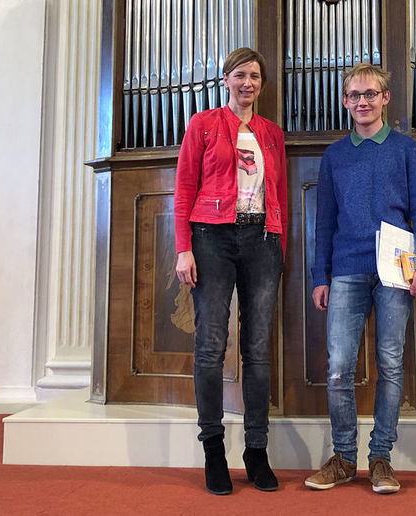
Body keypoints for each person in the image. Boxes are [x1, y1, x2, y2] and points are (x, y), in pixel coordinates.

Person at [304, 63, 416, 495]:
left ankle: (381, 456)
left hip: (397, 272)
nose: (362, 102)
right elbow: (324, 221)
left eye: (370, 94)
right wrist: (319, 274)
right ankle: (343, 457)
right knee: (340, 367)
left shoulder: (405, 149)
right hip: (346, 268)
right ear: (345, 102)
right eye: (354, 95)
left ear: (385, 99)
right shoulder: (335, 155)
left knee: (391, 363)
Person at [174, 47, 287, 495]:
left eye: (255, 76)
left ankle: (256, 452)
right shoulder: (202, 125)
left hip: (262, 240)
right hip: (211, 238)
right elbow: (184, 189)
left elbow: (277, 193)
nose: (248, 83)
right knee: (211, 345)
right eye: (240, 75)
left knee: (258, 348)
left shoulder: (271, 133)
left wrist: (280, 245)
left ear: (262, 83)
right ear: (226, 79)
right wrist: (184, 249)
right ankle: (213, 451)